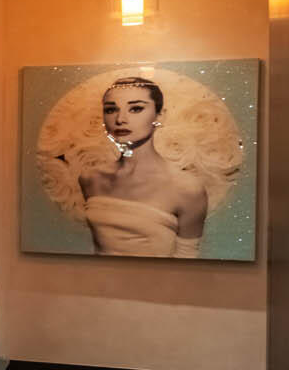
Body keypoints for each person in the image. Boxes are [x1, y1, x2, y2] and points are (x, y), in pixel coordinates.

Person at [65, 76, 209, 257]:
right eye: (111, 110)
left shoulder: (187, 188)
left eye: (136, 108)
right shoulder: (91, 178)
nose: (120, 119)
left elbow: (186, 261)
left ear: (159, 116)